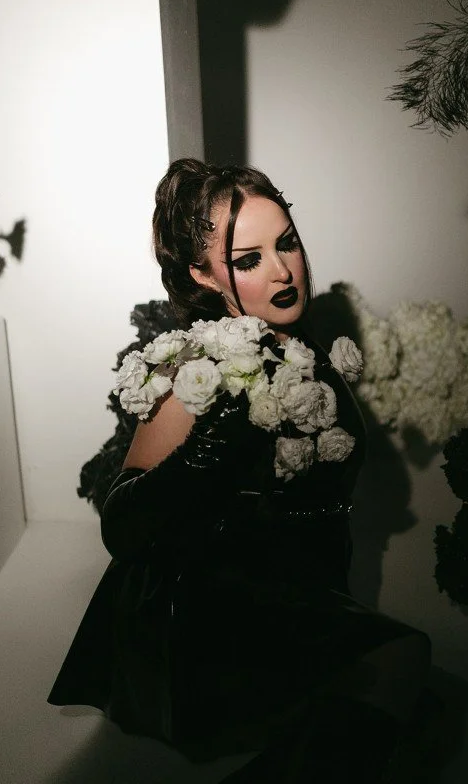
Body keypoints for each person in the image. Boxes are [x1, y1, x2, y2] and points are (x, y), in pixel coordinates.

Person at [48, 158, 432, 782]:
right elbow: (123, 525)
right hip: (208, 608)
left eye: (287, 244)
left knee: (405, 690)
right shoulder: (200, 374)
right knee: (404, 664)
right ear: (202, 273)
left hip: (292, 587)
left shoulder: (299, 346)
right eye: (248, 259)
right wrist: (215, 445)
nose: (282, 271)